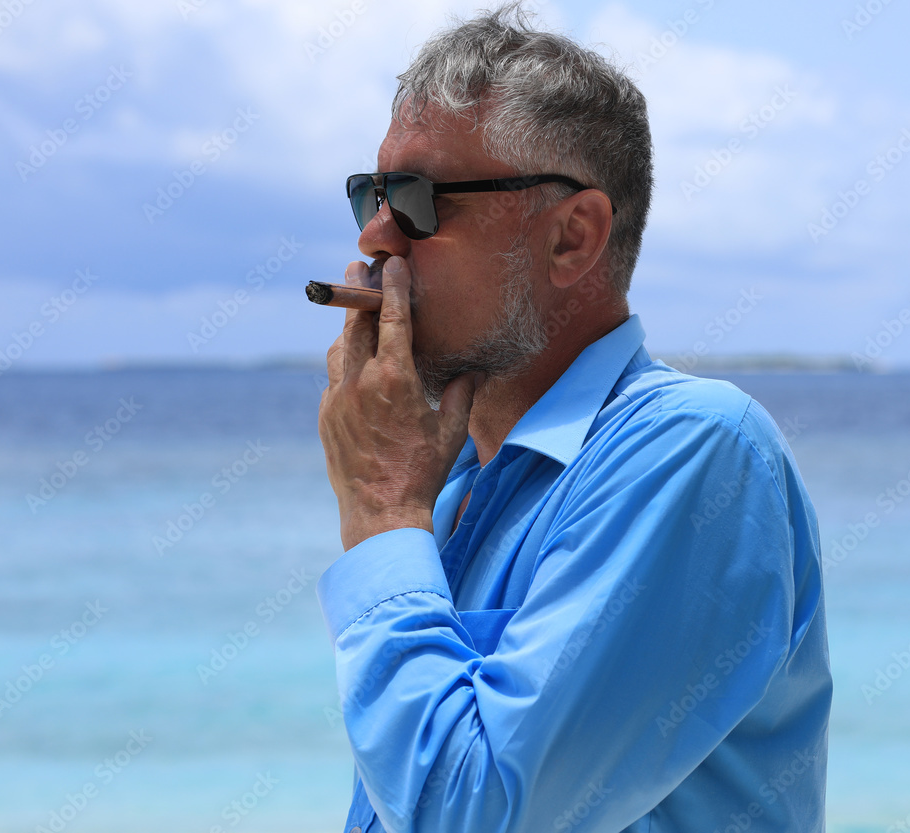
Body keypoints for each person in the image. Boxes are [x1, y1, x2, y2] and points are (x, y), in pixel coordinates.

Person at [315, 5, 831, 832]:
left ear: (572, 238)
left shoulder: (696, 451)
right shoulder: (455, 487)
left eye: (415, 199)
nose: (378, 236)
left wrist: (379, 511)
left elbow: (473, 812)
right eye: (369, 194)